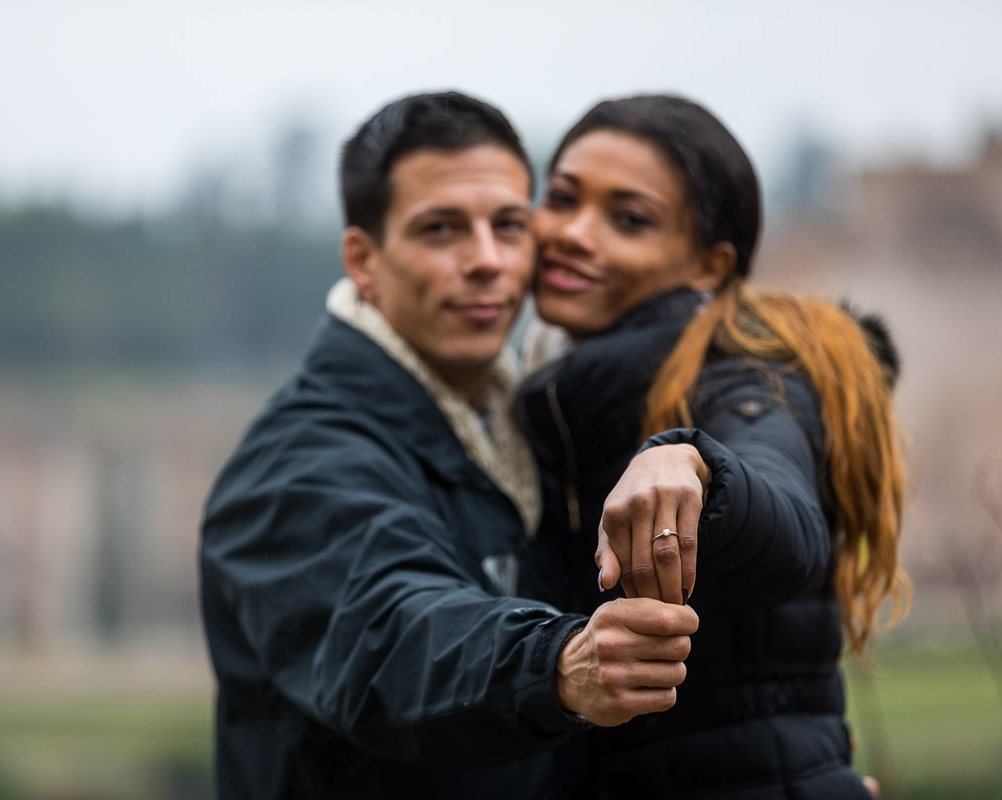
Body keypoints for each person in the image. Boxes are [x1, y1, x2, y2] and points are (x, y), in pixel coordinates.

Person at [198, 91, 699, 800]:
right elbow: (390, 636)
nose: (488, 261)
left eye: (508, 225)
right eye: (442, 230)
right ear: (363, 260)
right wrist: (556, 664)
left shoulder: (528, 431)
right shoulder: (293, 467)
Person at [514, 94, 909, 798]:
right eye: (563, 197)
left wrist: (693, 462)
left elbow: (789, 527)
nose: (572, 232)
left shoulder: (745, 375)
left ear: (708, 264)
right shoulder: (559, 396)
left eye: (628, 220)